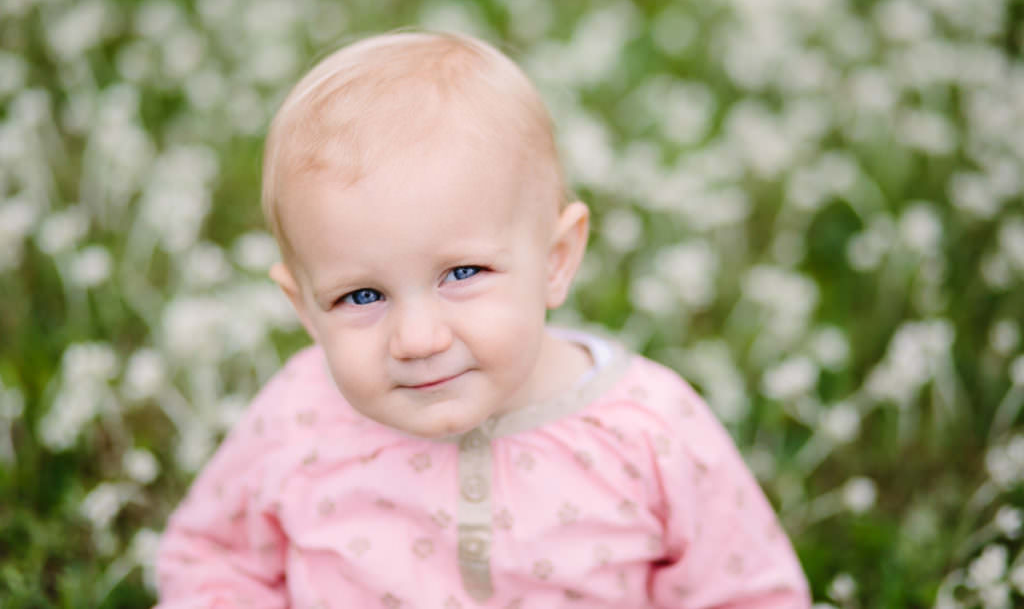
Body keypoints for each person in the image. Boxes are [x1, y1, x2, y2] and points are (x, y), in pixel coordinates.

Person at [154, 30, 811, 608]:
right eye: (361, 297)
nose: (417, 339)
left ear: (556, 260)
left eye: (462, 274)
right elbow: (214, 559)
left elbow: (748, 593)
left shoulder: (650, 430)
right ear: (303, 307)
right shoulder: (301, 414)